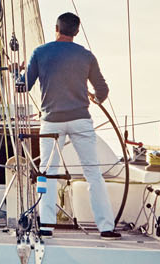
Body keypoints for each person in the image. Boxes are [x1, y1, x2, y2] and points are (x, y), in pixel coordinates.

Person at [18, 12, 120, 240]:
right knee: (93, 173)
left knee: (48, 172)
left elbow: (23, 86)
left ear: (56, 28)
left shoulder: (41, 52)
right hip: (80, 120)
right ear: (76, 31)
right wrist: (95, 97)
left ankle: (46, 225)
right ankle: (105, 227)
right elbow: (103, 90)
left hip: (52, 121)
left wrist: (17, 73)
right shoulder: (86, 56)